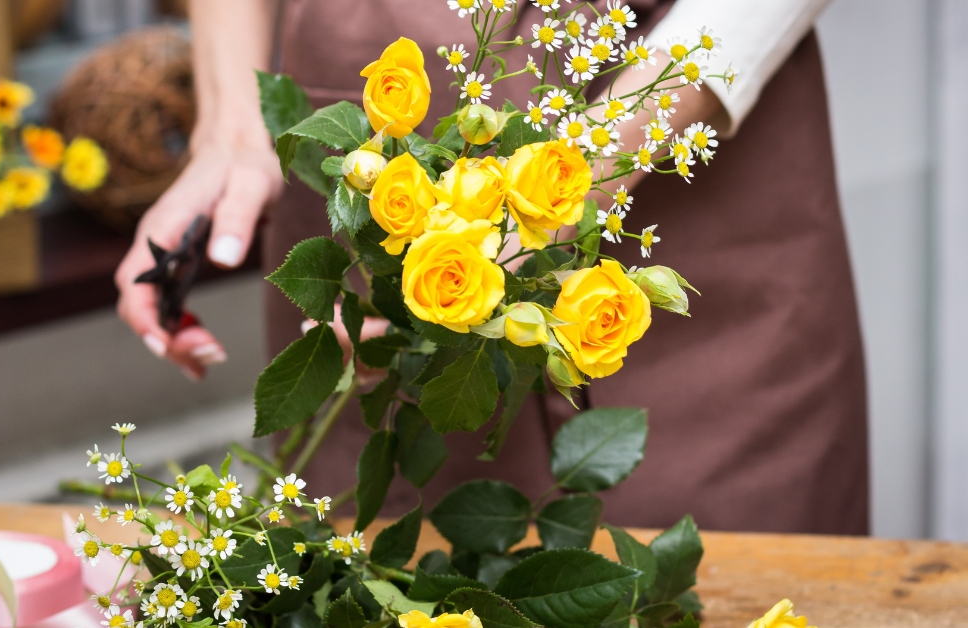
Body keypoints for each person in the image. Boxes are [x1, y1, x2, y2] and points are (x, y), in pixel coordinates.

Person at [114, 0, 869, 534]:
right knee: (389, 562)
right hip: (376, 89)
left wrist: (576, 180)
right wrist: (230, 121)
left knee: (729, 576)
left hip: (690, 117)